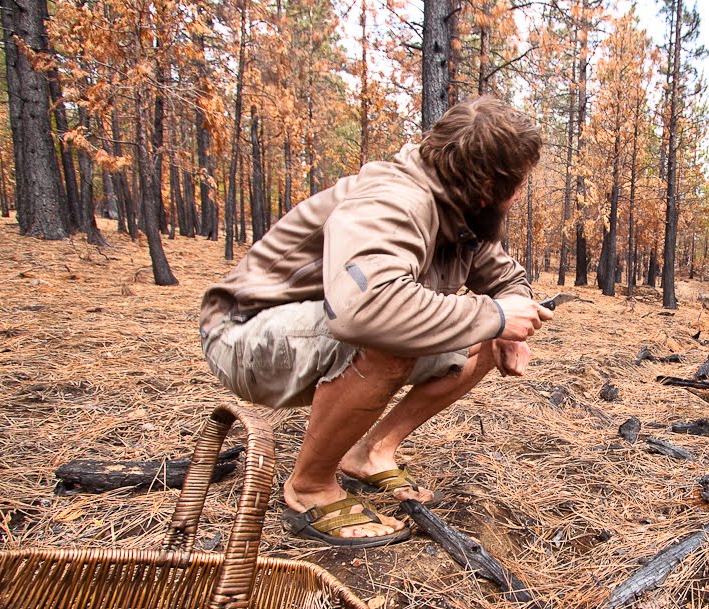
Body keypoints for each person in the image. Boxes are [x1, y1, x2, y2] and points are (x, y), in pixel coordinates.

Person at [199, 96, 552, 548]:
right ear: (488, 185)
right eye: (518, 185)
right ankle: (308, 489)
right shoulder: (393, 200)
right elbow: (365, 310)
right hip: (241, 335)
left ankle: (370, 453)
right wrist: (497, 315)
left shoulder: (463, 211)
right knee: (394, 337)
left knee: (483, 336)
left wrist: (509, 315)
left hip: (308, 333)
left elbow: (507, 278)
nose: (519, 195)